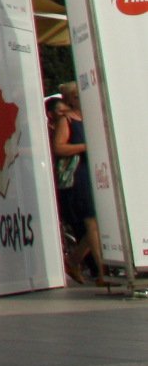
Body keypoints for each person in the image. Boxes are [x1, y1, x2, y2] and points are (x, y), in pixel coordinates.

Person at [52, 85, 102, 285]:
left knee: (97, 224)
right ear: (70, 99)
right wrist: (84, 146)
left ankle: (73, 260)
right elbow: (58, 147)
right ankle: (101, 272)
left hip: (96, 172)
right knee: (92, 223)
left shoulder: (92, 119)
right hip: (80, 175)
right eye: (76, 96)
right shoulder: (68, 120)